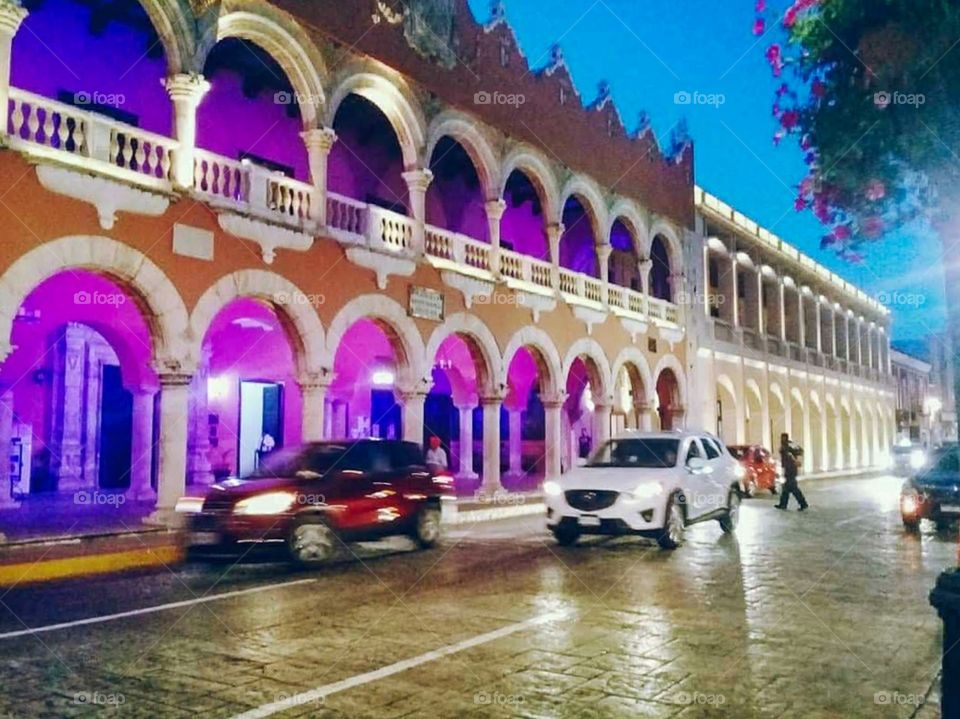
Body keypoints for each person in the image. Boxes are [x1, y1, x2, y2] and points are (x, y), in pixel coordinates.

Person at [776, 433, 808, 511]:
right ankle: (783, 504)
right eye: (781, 438)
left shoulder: (790, 445)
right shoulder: (784, 446)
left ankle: (803, 504)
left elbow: (800, 451)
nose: (782, 439)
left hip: (791, 469)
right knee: (786, 489)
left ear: (786, 438)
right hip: (788, 468)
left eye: (783, 438)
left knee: (793, 488)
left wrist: (796, 460)